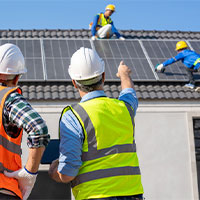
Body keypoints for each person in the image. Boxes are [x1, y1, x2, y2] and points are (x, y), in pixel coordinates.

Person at [48, 47, 144, 200]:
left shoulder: (74, 116)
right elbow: (129, 93)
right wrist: (124, 74)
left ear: (74, 82)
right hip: (133, 195)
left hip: (96, 195)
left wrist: (55, 171)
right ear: (103, 76)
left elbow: (68, 173)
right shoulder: (124, 108)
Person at [0, 43, 50, 200]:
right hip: (4, 188)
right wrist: (30, 173)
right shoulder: (8, 98)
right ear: (16, 77)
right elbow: (38, 128)